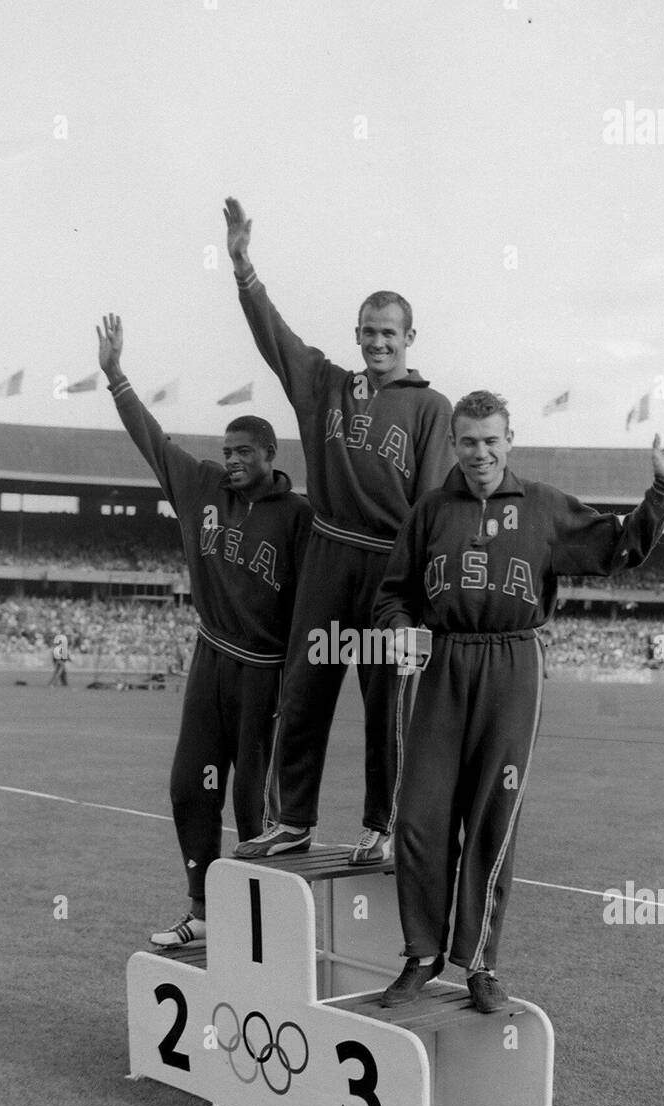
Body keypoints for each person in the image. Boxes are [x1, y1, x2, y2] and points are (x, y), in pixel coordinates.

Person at [373, 393, 664, 1012]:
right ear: (453, 443)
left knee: (492, 817)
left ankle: (479, 964)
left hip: (512, 666)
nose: (481, 452)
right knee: (419, 816)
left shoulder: (545, 508)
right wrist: (396, 625)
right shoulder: (430, 511)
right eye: (469, 441)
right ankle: (421, 954)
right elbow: (393, 593)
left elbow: (620, 548)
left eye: (492, 440)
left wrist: (661, 489)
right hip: (444, 661)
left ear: (510, 440)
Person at [223, 198, 453, 865]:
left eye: (389, 333)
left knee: (386, 710)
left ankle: (382, 828)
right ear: (356, 335)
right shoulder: (324, 385)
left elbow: (431, 506)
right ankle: (291, 819)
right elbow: (275, 338)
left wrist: (416, 595)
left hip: (388, 569)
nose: (377, 343)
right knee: (303, 692)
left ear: (409, 337)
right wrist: (243, 269)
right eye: (368, 331)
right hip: (327, 556)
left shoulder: (429, 408)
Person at [97, 313, 313, 947]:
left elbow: (312, 606)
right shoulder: (200, 487)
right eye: (227, 452)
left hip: (266, 673)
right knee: (190, 786)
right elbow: (153, 440)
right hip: (211, 658)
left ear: (272, 458)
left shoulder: (298, 518)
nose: (232, 461)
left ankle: (264, 929)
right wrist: (116, 377)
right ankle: (202, 910)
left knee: (253, 805)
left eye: (244, 453)